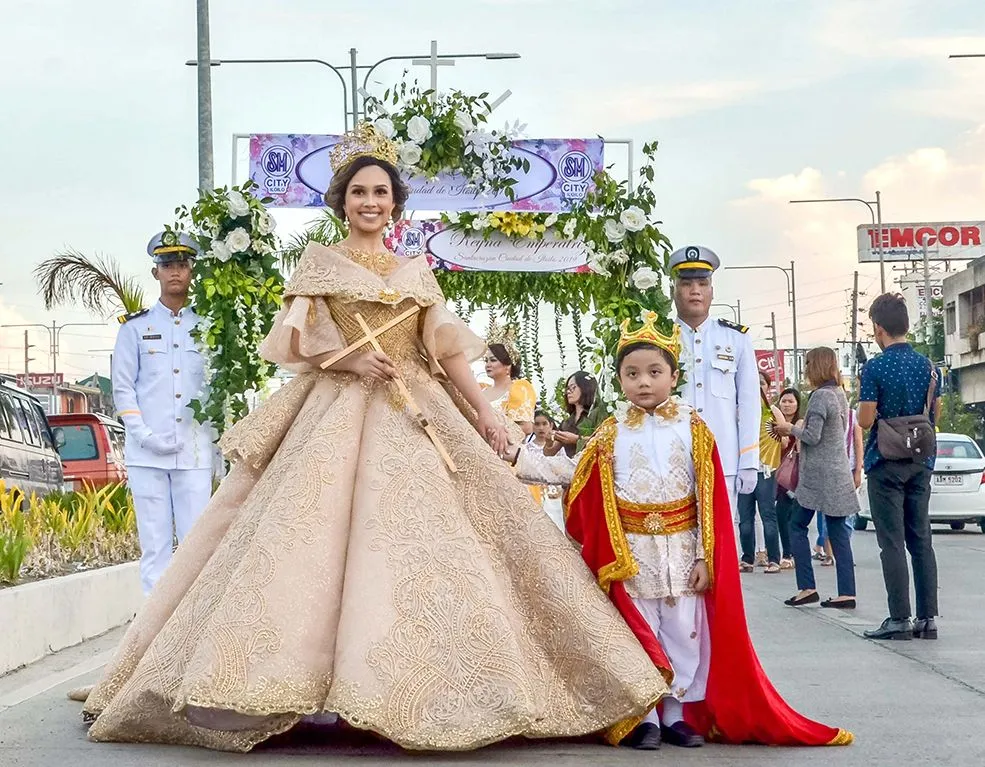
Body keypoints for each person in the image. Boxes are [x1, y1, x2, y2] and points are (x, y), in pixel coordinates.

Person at [79, 123, 668, 752]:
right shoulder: (319, 265)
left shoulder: (416, 271)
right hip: (334, 407)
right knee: (302, 542)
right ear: (341, 201)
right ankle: (294, 683)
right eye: (359, 191)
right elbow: (297, 342)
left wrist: (488, 416)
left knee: (433, 548)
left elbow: (445, 353)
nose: (370, 201)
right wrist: (350, 361)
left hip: (417, 410)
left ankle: (443, 686)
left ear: (395, 203)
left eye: (381, 192)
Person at [508, 313, 852, 750]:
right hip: (631, 554)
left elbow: (707, 498)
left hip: (682, 552)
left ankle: (676, 715)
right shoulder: (609, 433)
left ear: (674, 376)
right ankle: (647, 716)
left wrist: (706, 557)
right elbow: (572, 474)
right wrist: (518, 456)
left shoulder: (693, 428)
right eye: (632, 374)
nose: (644, 382)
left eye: (655, 372)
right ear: (619, 380)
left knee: (684, 635)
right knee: (641, 635)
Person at [112, 231, 215, 597]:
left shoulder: (209, 327)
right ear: (155, 272)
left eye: (182, 265)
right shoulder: (135, 328)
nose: (175, 272)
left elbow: (217, 389)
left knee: (195, 547)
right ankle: (153, 633)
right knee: (154, 548)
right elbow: (123, 388)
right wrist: (143, 435)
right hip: (146, 454)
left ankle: (189, 624)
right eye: (167, 265)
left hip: (194, 452)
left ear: (192, 271)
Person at [858, 293, 941, 641]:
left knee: (891, 541)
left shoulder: (875, 368)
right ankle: (928, 618)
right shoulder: (928, 366)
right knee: (921, 538)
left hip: (886, 462)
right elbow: (934, 413)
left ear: (879, 329)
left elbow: (864, 420)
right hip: (921, 459)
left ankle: (899, 618)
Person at [671, 245, 760, 525]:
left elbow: (748, 403)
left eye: (702, 283)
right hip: (670, 458)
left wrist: (748, 460)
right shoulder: (660, 338)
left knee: (721, 541)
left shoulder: (736, 338)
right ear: (674, 290)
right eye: (686, 284)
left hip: (722, 457)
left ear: (712, 290)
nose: (695, 290)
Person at [775, 348, 859, 610]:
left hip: (818, 476)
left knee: (796, 526)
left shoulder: (820, 396)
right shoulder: (839, 393)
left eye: (808, 364)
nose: (805, 369)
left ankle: (807, 587)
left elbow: (812, 436)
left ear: (817, 366)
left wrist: (789, 428)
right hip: (837, 471)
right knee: (838, 532)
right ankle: (846, 592)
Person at [737, 371, 783, 573]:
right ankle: (747, 558)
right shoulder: (739, 410)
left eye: (762, 383)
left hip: (765, 472)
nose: (758, 387)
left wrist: (773, 443)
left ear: (768, 386)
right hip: (744, 470)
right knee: (745, 520)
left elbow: (786, 435)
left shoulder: (772, 410)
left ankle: (774, 559)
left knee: (767, 516)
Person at [481, 324, 537, 436]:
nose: (488, 364)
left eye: (493, 360)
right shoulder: (481, 390)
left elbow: (526, 427)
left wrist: (497, 435)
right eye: (486, 360)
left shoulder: (519, 388)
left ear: (508, 366)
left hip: (505, 448)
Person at [773, 387, 803, 569]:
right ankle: (787, 552)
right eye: (783, 401)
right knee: (781, 515)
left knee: (791, 515)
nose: (786, 404)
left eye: (791, 401)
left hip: (793, 474)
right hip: (776, 474)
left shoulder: (799, 423)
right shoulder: (774, 423)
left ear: (798, 404)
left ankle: (791, 553)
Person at [545, 370, 598, 458]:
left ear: (585, 387)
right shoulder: (567, 422)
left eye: (573, 387)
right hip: (572, 469)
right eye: (567, 389)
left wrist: (577, 440)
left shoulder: (597, 414)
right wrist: (548, 442)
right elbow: (549, 453)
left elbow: (604, 441)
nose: (568, 392)